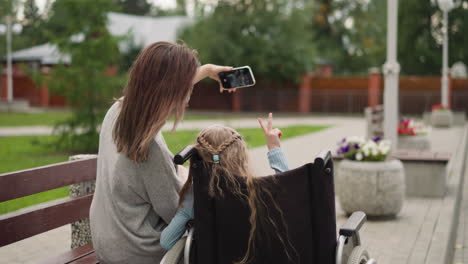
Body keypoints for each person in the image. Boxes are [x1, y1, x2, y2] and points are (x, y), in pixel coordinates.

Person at [89, 41, 234, 264]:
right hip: (136, 251)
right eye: (187, 85)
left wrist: (206, 71)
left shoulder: (119, 110)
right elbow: (177, 211)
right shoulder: (148, 148)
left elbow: (162, 80)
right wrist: (187, 179)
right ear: (173, 90)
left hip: (109, 241)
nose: (190, 91)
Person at [160, 113, 292, 264]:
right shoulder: (257, 191)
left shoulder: (196, 197)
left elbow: (166, 241)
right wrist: (274, 147)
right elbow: (286, 188)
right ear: (241, 156)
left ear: (199, 157)